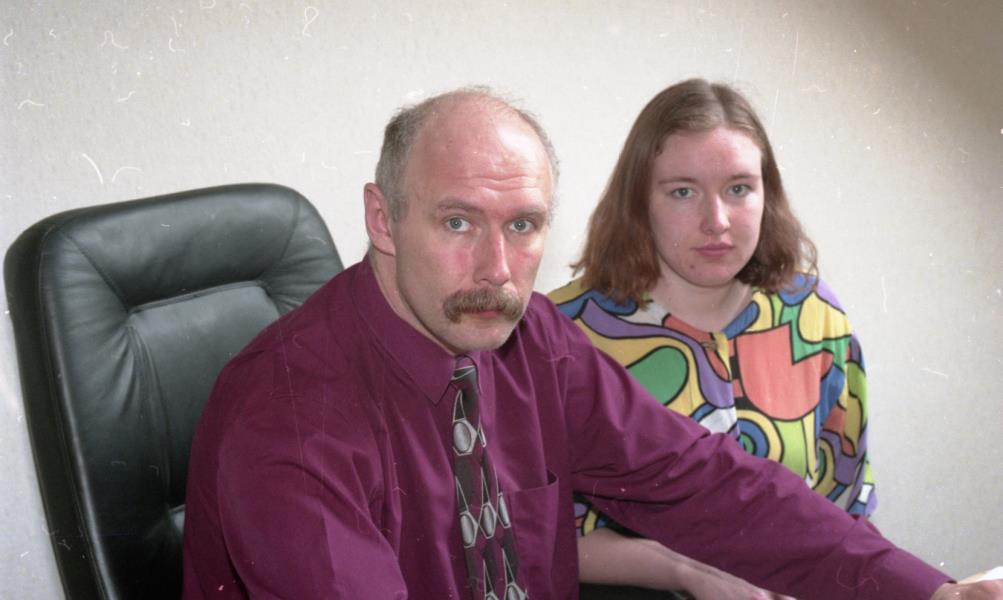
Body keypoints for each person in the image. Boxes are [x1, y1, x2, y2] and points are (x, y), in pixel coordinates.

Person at [181, 86, 999, 600]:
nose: (496, 269)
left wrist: (926, 592)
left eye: (523, 225)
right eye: (457, 222)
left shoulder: (527, 339)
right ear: (382, 220)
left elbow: (702, 481)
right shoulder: (288, 419)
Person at [546, 78, 875, 598]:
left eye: (739, 189)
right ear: (638, 201)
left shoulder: (814, 315)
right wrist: (686, 571)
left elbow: (846, 504)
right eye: (683, 192)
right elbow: (540, 534)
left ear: (768, 195)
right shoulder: (564, 330)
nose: (716, 221)